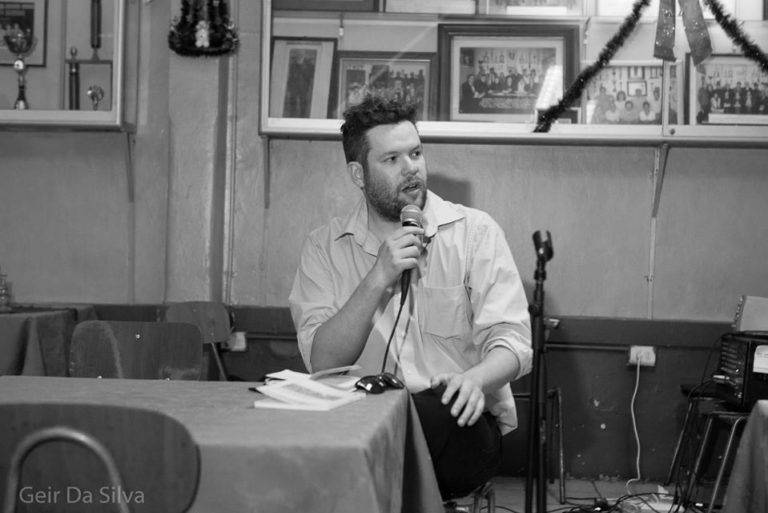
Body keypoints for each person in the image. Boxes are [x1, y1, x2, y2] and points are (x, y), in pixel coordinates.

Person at [288, 95, 532, 501]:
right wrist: (377, 277)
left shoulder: (475, 233)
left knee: (423, 415)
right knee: (358, 429)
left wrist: (473, 381)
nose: (411, 168)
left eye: (416, 153)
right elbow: (323, 362)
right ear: (358, 173)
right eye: (392, 159)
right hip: (357, 426)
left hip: (456, 423)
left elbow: (514, 344)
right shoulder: (323, 247)